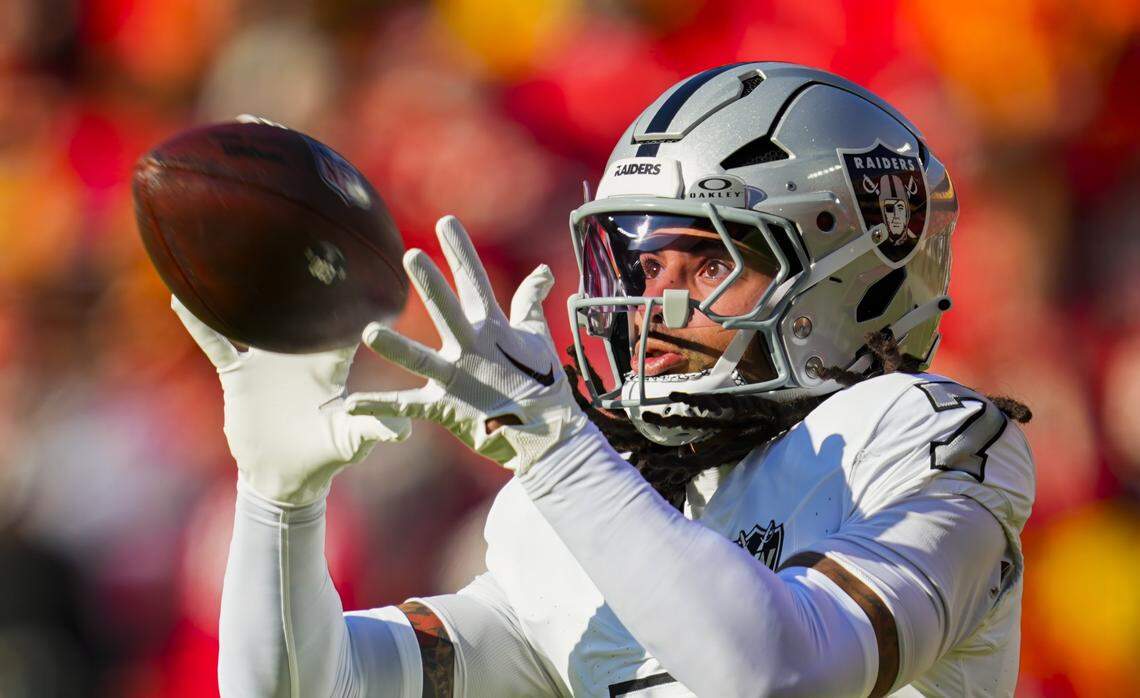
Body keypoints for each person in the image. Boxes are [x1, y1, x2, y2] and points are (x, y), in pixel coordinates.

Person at [177, 62, 1035, 697]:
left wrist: (558, 452)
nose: (648, 306)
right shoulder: (587, 508)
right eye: (637, 263)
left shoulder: (930, 437)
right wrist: (277, 502)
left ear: (847, 274)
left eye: (705, 263)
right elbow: (302, 688)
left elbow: (782, 675)